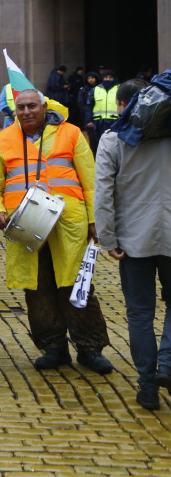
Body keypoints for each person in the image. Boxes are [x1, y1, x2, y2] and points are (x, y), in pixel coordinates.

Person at [0, 88, 113, 373]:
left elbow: (90, 181)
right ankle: (53, 347)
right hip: (24, 225)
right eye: (21, 108)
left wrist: (95, 220)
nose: (26, 112)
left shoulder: (71, 133)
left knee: (76, 286)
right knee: (38, 288)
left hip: (68, 223)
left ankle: (90, 348)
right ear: (14, 111)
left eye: (32, 106)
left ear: (44, 107)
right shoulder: (5, 140)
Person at [94, 79, 168, 409]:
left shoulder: (113, 139)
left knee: (139, 315)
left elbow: (104, 196)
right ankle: (167, 363)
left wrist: (108, 238)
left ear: (123, 105)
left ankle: (147, 385)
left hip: (133, 240)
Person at [86, 69, 120, 151]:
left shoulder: (120, 88)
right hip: (99, 122)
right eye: (106, 77)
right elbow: (89, 106)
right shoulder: (95, 90)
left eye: (110, 77)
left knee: (115, 144)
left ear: (114, 78)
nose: (108, 79)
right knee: (99, 144)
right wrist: (89, 120)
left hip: (115, 121)